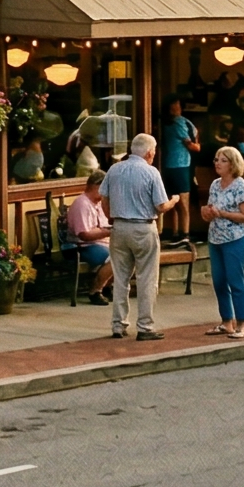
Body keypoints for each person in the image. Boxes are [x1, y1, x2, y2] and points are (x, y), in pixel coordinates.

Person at [103, 133, 173, 340]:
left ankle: (118, 324)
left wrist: (111, 218)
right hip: (143, 228)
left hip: (119, 227)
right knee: (147, 279)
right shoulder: (151, 172)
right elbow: (160, 206)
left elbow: (103, 198)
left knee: (120, 278)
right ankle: (145, 326)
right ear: (150, 152)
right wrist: (174, 201)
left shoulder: (114, 169)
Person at [203, 146, 244, 340]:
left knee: (236, 281)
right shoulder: (215, 184)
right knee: (219, 282)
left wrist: (222, 213)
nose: (217, 163)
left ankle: (241, 323)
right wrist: (207, 213)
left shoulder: (240, 186)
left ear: (232, 164)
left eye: (223, 160)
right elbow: (211, 209)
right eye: (216, 159)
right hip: (215, 237)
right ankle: (226, 322)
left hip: (235, 239)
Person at [65, 169, 114, 302]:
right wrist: (109, 232)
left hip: (99, 243)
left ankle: (106, 286)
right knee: (116, 258)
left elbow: (105, 224)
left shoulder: (99, 203)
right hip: (81, 246)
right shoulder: (82, 204)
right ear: (97, 186)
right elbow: (84, 234)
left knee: (128, 254)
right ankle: (95, 291)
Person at [157, 99, 200, 240]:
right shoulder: (180, 122)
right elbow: (191, 145)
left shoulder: (162, 123)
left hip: (166, 165)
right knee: (183, 203)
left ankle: (174, 231)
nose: (176, 109)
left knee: (172, 201)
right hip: (181, 165)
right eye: (174, 106)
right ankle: (185, 234)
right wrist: (199, 146)